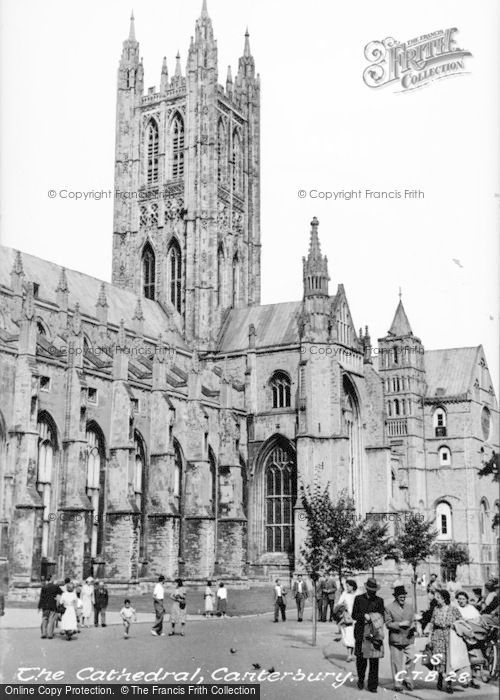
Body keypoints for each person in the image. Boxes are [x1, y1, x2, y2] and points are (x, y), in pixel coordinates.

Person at [352, 577, 385, 693]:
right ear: (367, 589)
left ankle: (372, 685)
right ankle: (361, 679)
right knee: (361, 659)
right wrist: (363, 616)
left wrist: (373, 617)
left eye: (374, 590)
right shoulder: (358, 599)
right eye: (371, 590)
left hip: (374, 633)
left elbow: (382, 617)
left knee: (374, 660)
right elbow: (353, 615)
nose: (373, 592)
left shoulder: (379, 601)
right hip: (361, 633)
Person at [427, 589, 463, 693]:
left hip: (450, 636)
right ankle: (440, 677)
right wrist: (429, 637)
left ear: (444, 599)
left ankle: (449, 684)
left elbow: (461, 621)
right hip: (438, 636)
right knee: (440, 659)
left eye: (438, 597)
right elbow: (432, 623)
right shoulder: (436, 609)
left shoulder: (453, 609)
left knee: (449, 660)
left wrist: (455, 626)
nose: (436, 599)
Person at [385, 585, 416, 692]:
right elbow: (388, 623)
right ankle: (397, 683)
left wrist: (415, 626)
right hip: (396, 638)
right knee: (396, 662)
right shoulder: (389, 607)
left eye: (404, 597)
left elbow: (413, 619)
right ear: (396, 597)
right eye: (401, 597)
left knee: (412, 658)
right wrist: (400, 624)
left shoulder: (409, 606)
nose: (403, 599)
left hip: (409, 637)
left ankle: (408, 679)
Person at [455, 591, 481, 689]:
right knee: (463, 660)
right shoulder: (456, 609)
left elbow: (478, 619)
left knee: (473, 659)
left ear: (467, 600)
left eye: (463, 599)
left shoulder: (471, 608)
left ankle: (472, 680)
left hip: (473, 636)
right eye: (459, 599)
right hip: (462, 637)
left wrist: (469, 622)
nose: (461, 601)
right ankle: (464, 680)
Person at [336, 579, 357, 661]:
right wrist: (343, 606)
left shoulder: (357, 595)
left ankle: (352, 654)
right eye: (346, 586)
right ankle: (349, 655)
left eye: (348, 586)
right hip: (347, 618)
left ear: (352, 586)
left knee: (354, 637)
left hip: (356, 618)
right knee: (348, 636)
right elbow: (338, 605)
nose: (347, 587)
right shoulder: (344, 594)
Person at [37, 575, 60, 640]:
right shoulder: (55, 587)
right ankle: (50, 634)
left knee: (44, 619)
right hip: (52, 605)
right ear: (52, 579)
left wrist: (39, 607)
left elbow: (41, 598)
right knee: (51, 620)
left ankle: (44, 633)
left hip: (45, 606)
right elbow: (62, 592)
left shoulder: (44, 587)